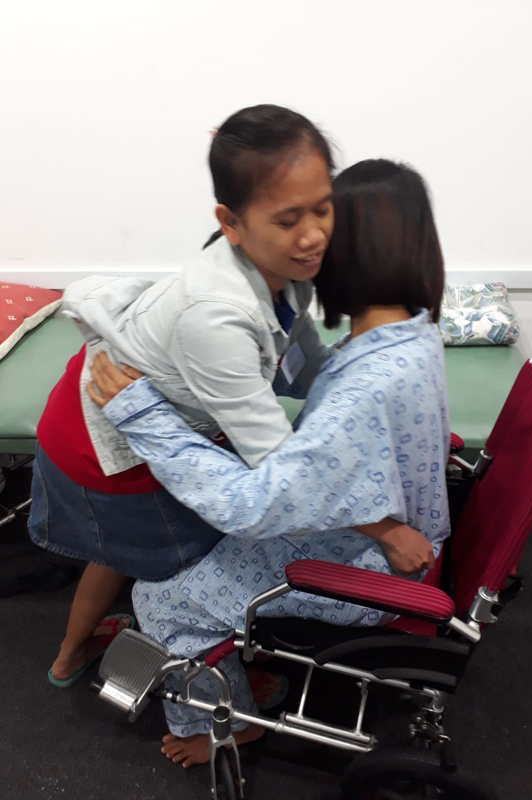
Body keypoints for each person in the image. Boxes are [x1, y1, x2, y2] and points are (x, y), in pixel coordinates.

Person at [28, 106, 426, 688]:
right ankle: (218, 682)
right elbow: (281, 473)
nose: (313, 235)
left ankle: (72, 652)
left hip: (123, 408)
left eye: (323, 208)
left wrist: (361, 379)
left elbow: (302, 359)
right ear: (231, 223)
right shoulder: (217, 317)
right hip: (108, 442)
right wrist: (386, 530)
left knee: (122, 548)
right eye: (287, 219)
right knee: (186, 566)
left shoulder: (285, 267)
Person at [87, 158, 449, 768]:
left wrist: (140, 413)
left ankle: (226, 726)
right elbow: (320, 375)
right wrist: (264, 338)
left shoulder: (364, 390)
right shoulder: (408, 333)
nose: (306, 243)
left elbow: (250, 505)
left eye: (320, 226)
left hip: (359, 568)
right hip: (389, 529)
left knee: (160, 596)